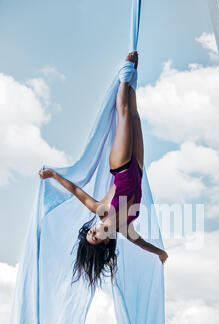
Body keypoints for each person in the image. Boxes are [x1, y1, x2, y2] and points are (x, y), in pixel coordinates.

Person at [39, 51, 168, 288]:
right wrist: (161, 253)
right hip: (136, 170)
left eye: (91, 233)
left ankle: (125, 73)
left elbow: (76, 191)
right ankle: (131, 78)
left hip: (120, 166)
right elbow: (143, 244)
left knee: (125, 114)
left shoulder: (101, 212)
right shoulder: (124, 230)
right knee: (135, 117)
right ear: (105, 242)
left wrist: (54, 175)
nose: (95, 232)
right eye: (96, 237)